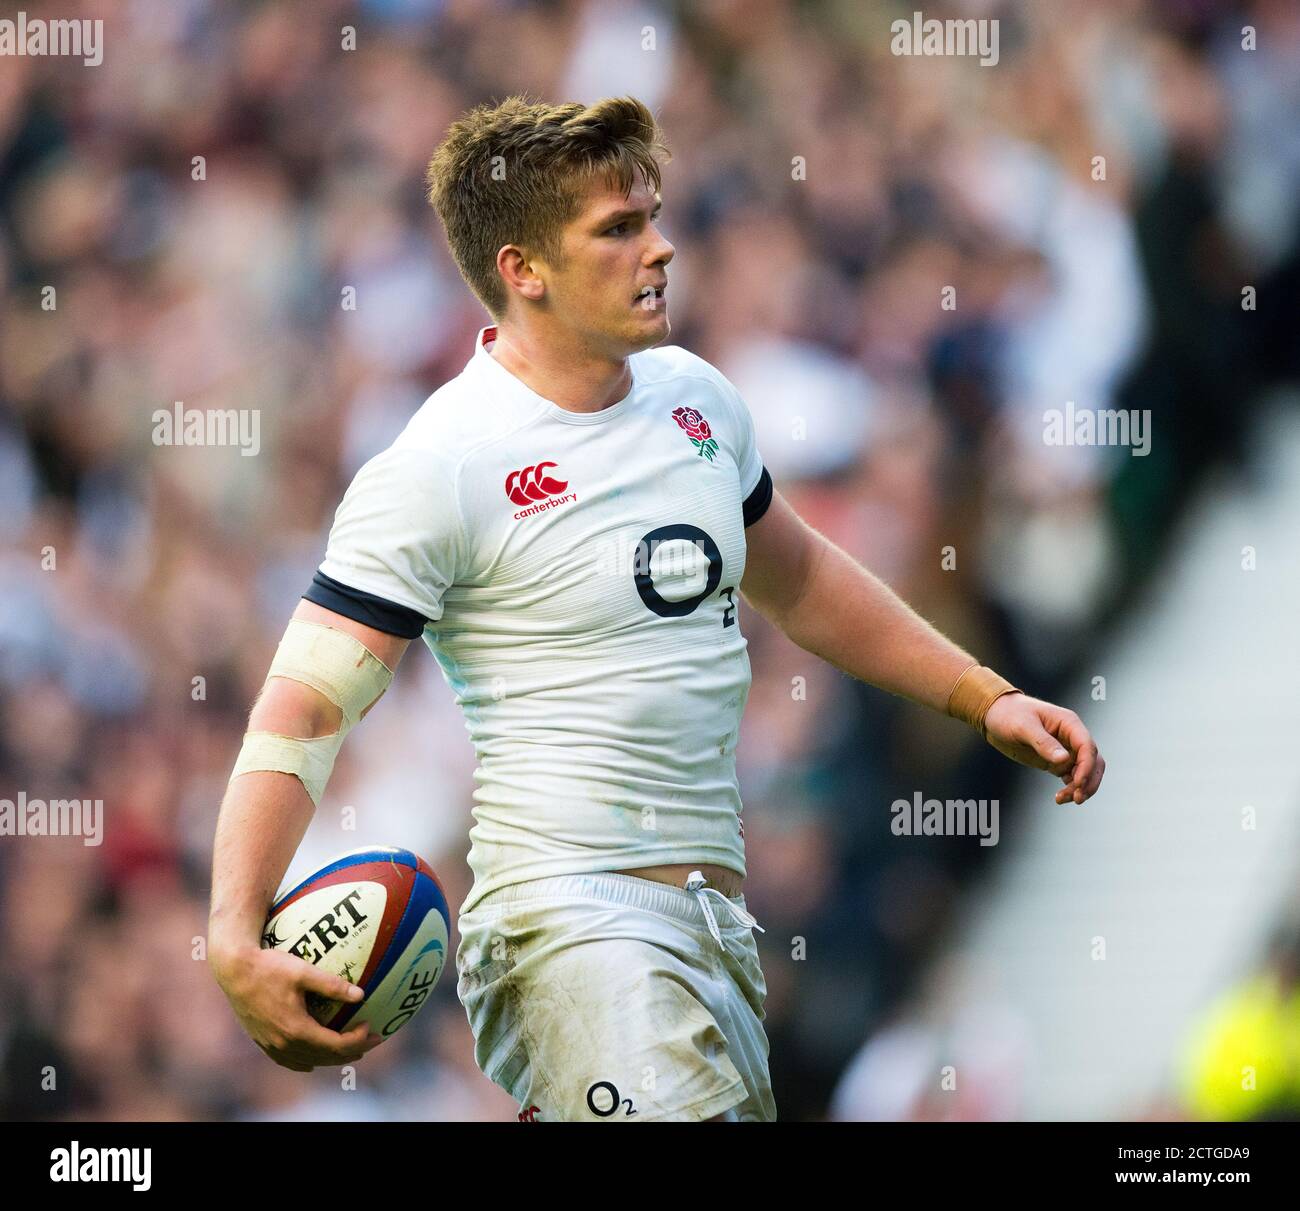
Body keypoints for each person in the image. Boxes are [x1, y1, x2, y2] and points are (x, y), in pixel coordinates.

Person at [208, 95, 1105, 1122]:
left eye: (653, 216)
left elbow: (801, 579)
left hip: (713, 930)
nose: (663, 247)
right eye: (620, 228)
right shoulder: (439, 463)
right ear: (523, 269)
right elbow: (307, 708)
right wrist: (235, 931)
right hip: (568, 927)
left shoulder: (695, 397)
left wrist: (979, 696)